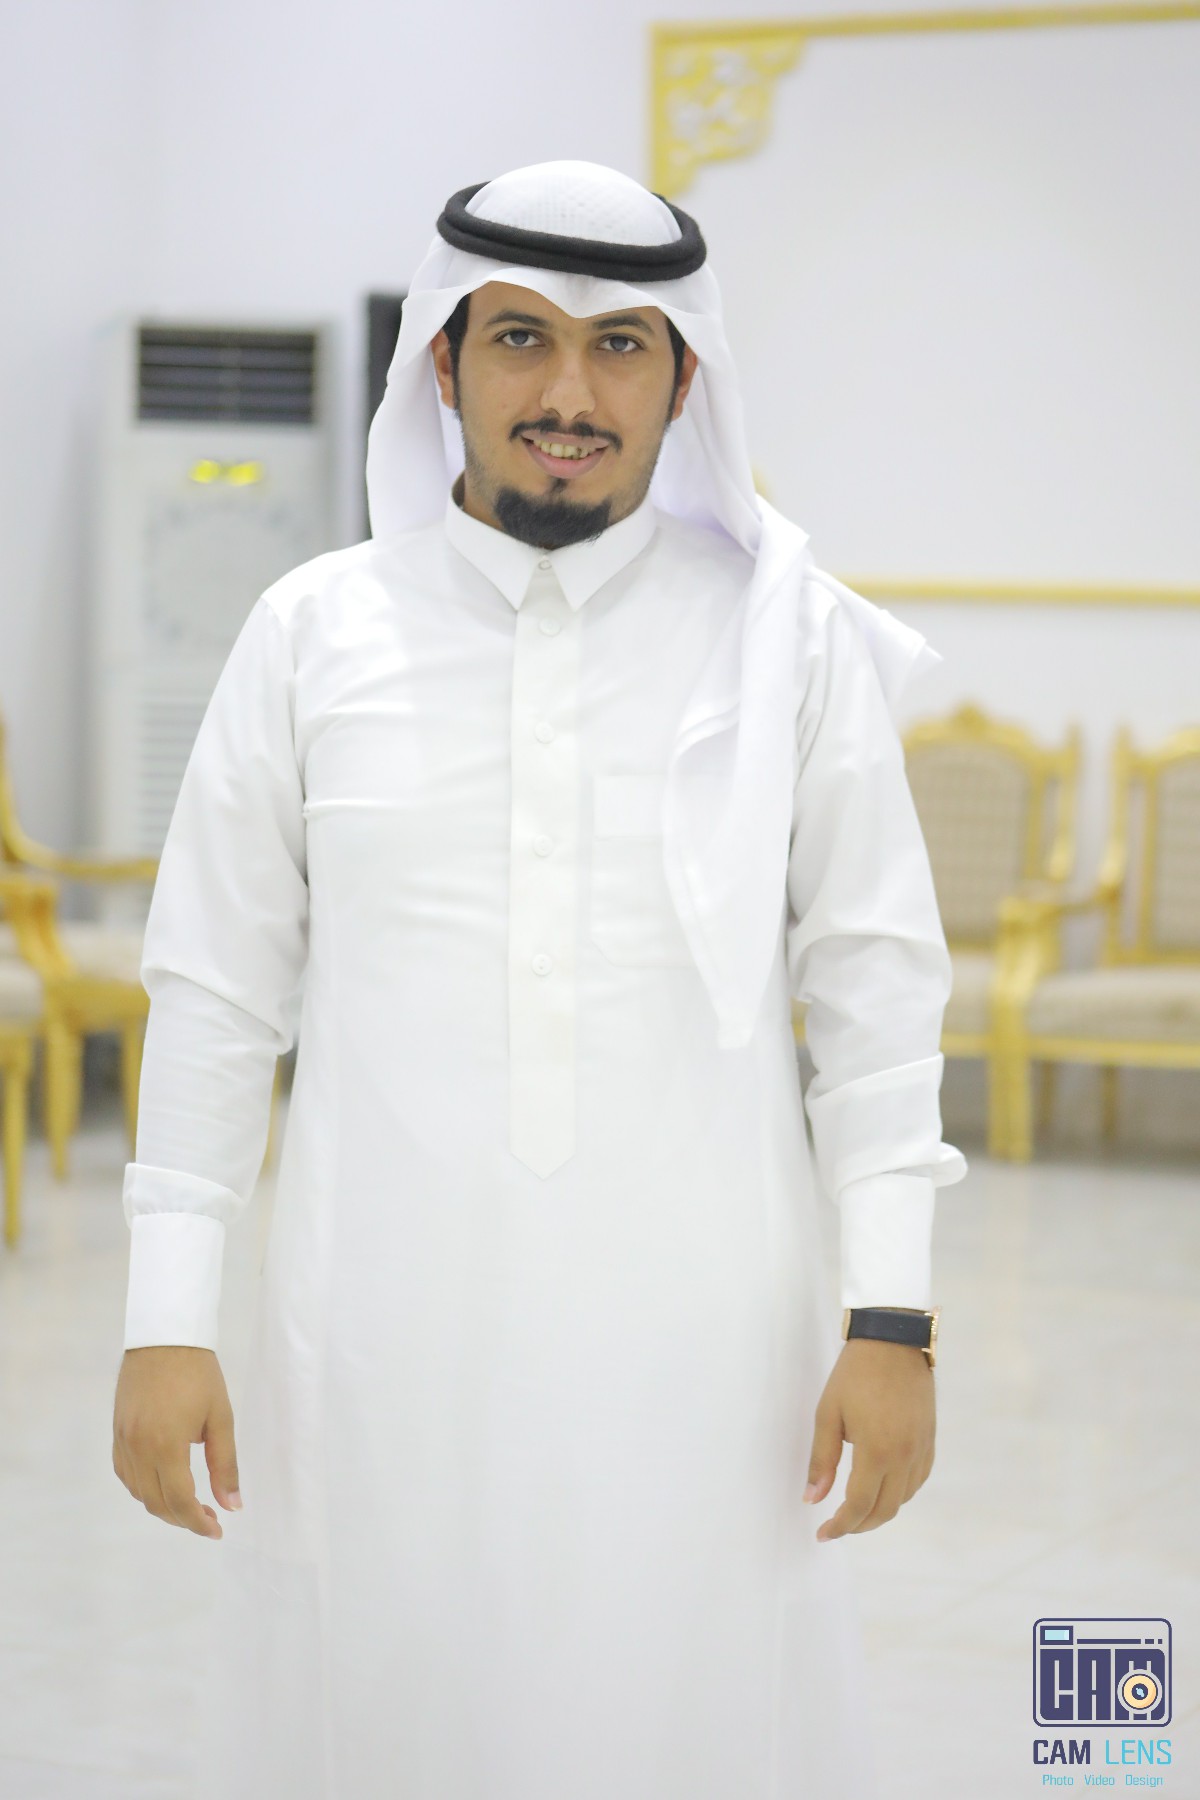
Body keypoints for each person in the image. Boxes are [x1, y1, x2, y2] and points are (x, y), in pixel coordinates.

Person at [112, 159, 966, 1799]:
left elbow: (878, 1000)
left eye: (619, 345)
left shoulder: (788, 645)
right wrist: (166, 1322)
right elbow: (213, 992)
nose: (568, 394)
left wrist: (894, 1321)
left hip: (707, 1357)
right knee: (382, 1717)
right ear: (442, 360)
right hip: (379, 1341)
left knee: (692, 1717)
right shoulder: (309, 633)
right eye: (520, 338)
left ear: (683, 379)